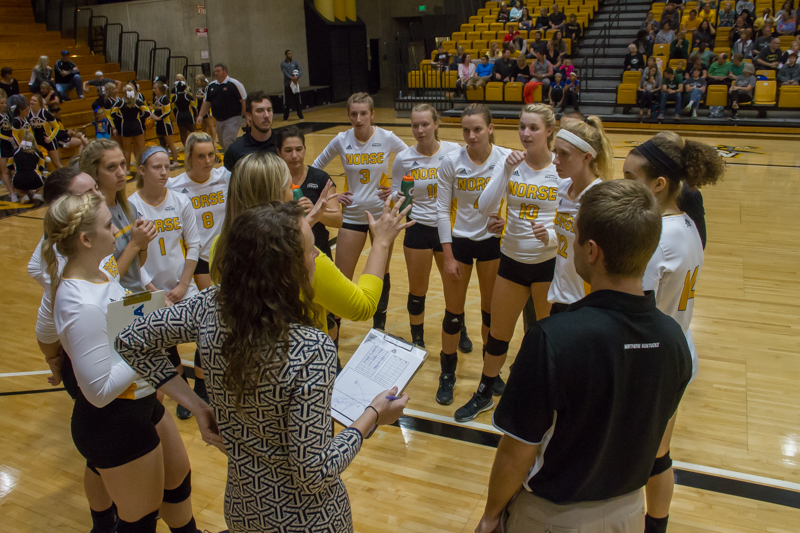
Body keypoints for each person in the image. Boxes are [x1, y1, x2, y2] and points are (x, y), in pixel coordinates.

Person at [116, 199, 410, 533]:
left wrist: (197, 406)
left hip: (243, 510)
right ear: (285, 271)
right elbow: (313, 473)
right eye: (311, 251)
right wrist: (372, 415)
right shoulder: (310, 350)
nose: (317, 257)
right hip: (307, 521)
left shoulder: (210, 304)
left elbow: (128, 339)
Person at [473, 179, 692, 533]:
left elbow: (518, 452)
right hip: (629, 514)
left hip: (553, 518)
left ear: (591, 251)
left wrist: (490, 515)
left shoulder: (552, 339)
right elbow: (658, 450)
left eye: (573, 236)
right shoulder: (674, 340)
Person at [40, 193, 203, 533]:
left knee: (178, 486)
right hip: (113, 422)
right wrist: (142, 342)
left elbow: (124, 306)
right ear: (85, 239)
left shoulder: (100, 271)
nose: (116, 228)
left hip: (142, 405)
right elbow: (98, 392)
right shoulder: (78, 303)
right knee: (140, 520)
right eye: (107, 225)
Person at [623, 133, 724, 533]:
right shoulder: (687, 223)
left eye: (631, 176)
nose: (622, 182)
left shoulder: (656, 240)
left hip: (652, 362)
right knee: (658, 455)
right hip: (679, 351)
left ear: (658, 184)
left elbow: (634, 315)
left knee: (643, 457)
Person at [31, 167, 125, 533]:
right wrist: (52, 357)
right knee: (102, 455)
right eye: (87, 194)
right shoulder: (64, 268)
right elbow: (51, 324)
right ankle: (104, 520)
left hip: (105, 350)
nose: (97, 197)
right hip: (80, 353)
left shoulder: (92, 252)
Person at [457, 104, 559, 422]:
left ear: (549, 132)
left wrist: (553, 235)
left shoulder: (560, 169)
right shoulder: (510, 163)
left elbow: (574, 220)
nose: (525, 134)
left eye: (533, 128)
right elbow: (483, 206)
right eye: (522, 127)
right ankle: (485, 392)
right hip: (512, 260)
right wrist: (503, 171)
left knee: (549, 338)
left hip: (547, 265)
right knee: (498, 334)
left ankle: (550, 400)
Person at [434, 104, 511, 410]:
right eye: (465, 130)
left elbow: (517, 200)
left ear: (490, 128)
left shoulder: (506, 159)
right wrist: (448, 255)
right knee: (453, 314)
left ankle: (489, 373)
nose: (471, 135)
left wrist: (510, 223)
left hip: (493, 243)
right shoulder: (451, 161)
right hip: (460, 243)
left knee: (490, 314)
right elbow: (442, 210)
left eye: (477, 129)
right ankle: (447, 373)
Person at [312, 92, 408, 333]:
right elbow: (315, 169)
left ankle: (379, 329)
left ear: (372, 114)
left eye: (364, 113)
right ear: (348, 115)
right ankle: (334, 333)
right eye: (354, 114)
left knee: (381, 272)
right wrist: (331, 194)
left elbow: (411, 161)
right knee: (342, 275)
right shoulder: (341, 140)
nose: (358, 118)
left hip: (382, 216)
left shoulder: (386, 137)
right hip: (353, 215)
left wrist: (395, 191)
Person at [167, 132, 229, 416]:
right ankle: (197, 390)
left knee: (222, 321)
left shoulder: (225, 177)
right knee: (209, 320)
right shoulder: (175, 186)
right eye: (200, 156)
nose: (207, 161)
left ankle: (211, 383)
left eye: (211, 155)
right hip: (198, 260)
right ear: (188, 158)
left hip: (227, 256)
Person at [389, 104, 461, 348]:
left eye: (425, 124)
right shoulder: (404, 158)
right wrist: (392, 197)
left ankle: (460, 329)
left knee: (454, 288)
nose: (420, 130)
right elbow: (395, 193)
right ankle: (417, 337)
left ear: (436, 124)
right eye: (415, 125)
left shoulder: (453, 151)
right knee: (417, 289)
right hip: (417, 228)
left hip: (447, 230)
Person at [546, 117, 614, 313]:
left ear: (587, 157)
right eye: (555, 152)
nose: (556, 160)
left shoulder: (599, 198)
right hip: (560, 296)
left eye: (564, 154)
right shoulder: (563, 188)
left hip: (586, 301)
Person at [80, 139, 157, 293]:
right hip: (113, 302)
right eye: (111, 167)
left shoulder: (129, 208)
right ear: (94, 173)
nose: (121, 172)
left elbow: (137, 265)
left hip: (136, 297)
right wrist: (135, 243)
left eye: (123, 164)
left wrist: (143, 244)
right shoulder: (90, 218)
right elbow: (107, 279)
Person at [276, 126, 342, 259]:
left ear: (305, 149)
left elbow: (338, 220)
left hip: (318, 252)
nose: (294, 155)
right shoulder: (274, 180)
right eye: (288, 150)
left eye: (299, 149)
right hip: (283, 253)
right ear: (279, 152)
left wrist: (316, 211)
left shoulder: (320, 178)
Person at [196, 63, 246, 151]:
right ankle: (230, 159)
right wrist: (200, 115)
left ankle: (234, 162)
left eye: (218, 71)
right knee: (222, 143)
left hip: (233, 118)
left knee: (228, 141)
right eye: (214, 71)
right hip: (218, 120)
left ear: (225, 71)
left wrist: (247, 117)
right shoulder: (211, 86)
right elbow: (206, 102)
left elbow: (244, 101)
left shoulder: (234, 84)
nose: (216, 73)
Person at [224, 91, 276, 172]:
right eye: (260, 111)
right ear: (249, 116)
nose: (266, 115)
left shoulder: (283, 144)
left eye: (269, 110)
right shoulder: (235, 150)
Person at [114, 83, 149, 173]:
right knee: (140, 149)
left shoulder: (120, 102)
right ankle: (141, 168)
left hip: (125, 126)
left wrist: (121, 117)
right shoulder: (138, 102)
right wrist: (141, 117)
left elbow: (113, 114)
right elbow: (147, 113)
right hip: (136, 125)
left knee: (126, 150)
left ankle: (127, 170)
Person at [25, 93, 63, 168]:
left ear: (39, 103)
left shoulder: (45, 113)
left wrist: (50, 138)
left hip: (48, 140)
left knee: (56, 163)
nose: (32, 102)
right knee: (38, 164)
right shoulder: (29, 114)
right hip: (37, 142)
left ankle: (68, 177)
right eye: (31, 100)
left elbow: (56, 127)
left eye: (34, 101)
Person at [10, 130, 45, 203]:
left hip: (19, 177)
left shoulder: (15, 151)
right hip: (33, 177)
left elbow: (10, 166)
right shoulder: (37, 152)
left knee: (18, 186)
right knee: (42, 186)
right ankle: (37, 195)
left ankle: (23, 195)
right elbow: (41, 167)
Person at [151, 81, 179, 169]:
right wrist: (152, 115)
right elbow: (155, 109)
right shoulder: (155, 98)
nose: (154, 90)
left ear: (160, 89)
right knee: (162, 143)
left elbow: (167, 111)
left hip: (166, 124)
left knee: (170, 144)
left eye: (155, 88)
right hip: (159, 124)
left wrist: (158, 118)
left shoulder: (164, 99)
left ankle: (175, 161)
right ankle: (165, 161)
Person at [0, 90, 16, 201]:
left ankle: (16, 190)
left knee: (12, 169)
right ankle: (11, 193)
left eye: (5, 102)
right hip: (2, 146)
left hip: (9, 145)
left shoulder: (6, 114)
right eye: (2, 103)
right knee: (5, 170)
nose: (4, 105)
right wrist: (7, 138)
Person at [281, 49, 305, 121]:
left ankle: (300, 114)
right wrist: (291, 77)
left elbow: (300, 70)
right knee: (287, 101)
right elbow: (285, 73)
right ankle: (285, 116)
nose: (290, 55)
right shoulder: (283, 64)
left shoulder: (295, 63)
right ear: (286, 55)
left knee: (297, 99)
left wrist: (297, 76)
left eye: (291, 54)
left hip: (295, 84)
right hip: (288, 84)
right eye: (288, 54)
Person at [172, 79, 197, 147]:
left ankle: (186, 147)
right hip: (188, 115)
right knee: (194, 132)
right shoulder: (188, 96)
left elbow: (174, 109)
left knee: (183, 134)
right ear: (185, 87)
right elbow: (194, 107)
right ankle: (196, 145)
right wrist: (195, 116)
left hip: (179, 116)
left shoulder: (175, 97)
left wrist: (176, 115)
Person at [194, 74, 217, 146]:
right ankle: (205, 140)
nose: (196, 81)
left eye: (197, 80)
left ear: (201, 80)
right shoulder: (198, 89)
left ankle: (213, 141)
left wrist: (211, 111)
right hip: (200, 108)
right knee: (203, 125)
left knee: (210, 125)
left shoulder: (206, 88)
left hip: (207, 110)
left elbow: (209, 100)